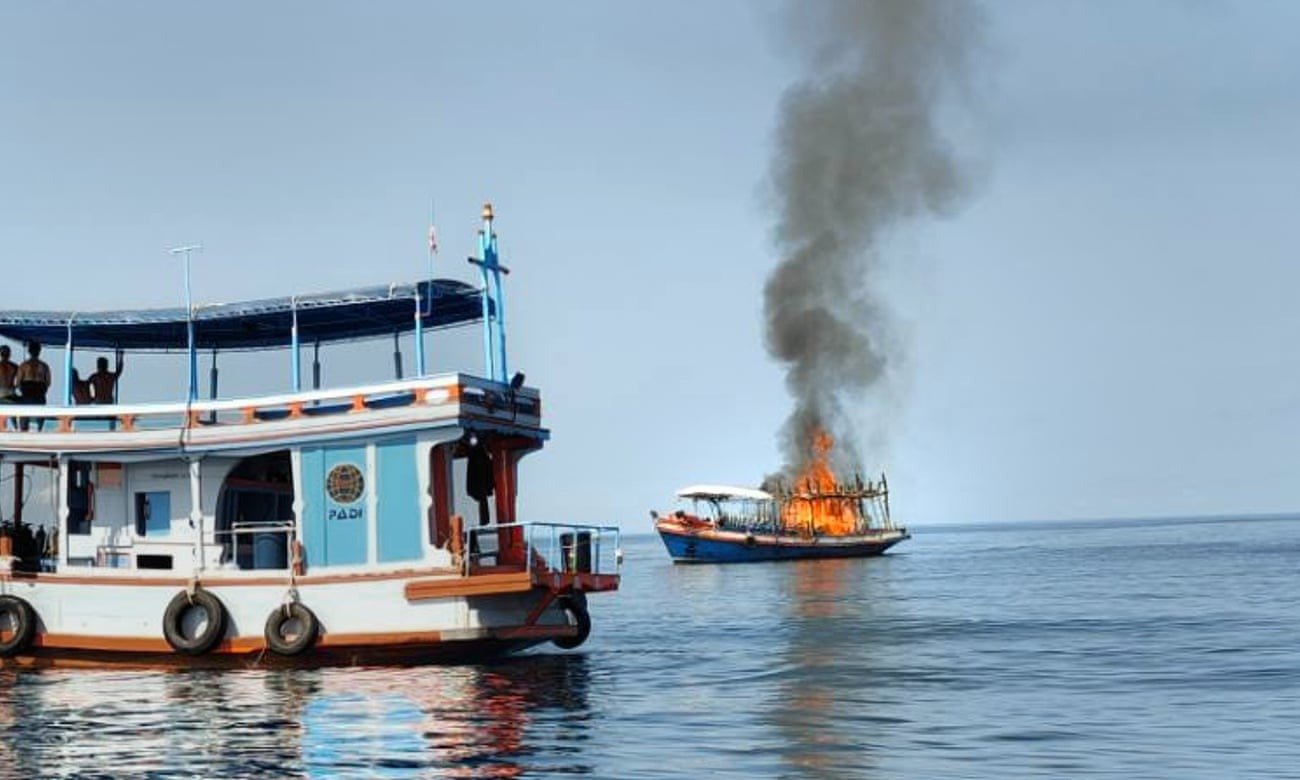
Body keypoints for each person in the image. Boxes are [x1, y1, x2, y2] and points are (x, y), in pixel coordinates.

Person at [15, 341, 50, 431]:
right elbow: (48, 382)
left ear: (29, 351)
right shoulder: (44, 366)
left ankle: (24, 430)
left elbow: (18, 382)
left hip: (27, 391)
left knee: (24, 414)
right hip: (39, 391)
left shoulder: (24, 365)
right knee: (41, 413)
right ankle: (39, 429)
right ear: (39, 351)